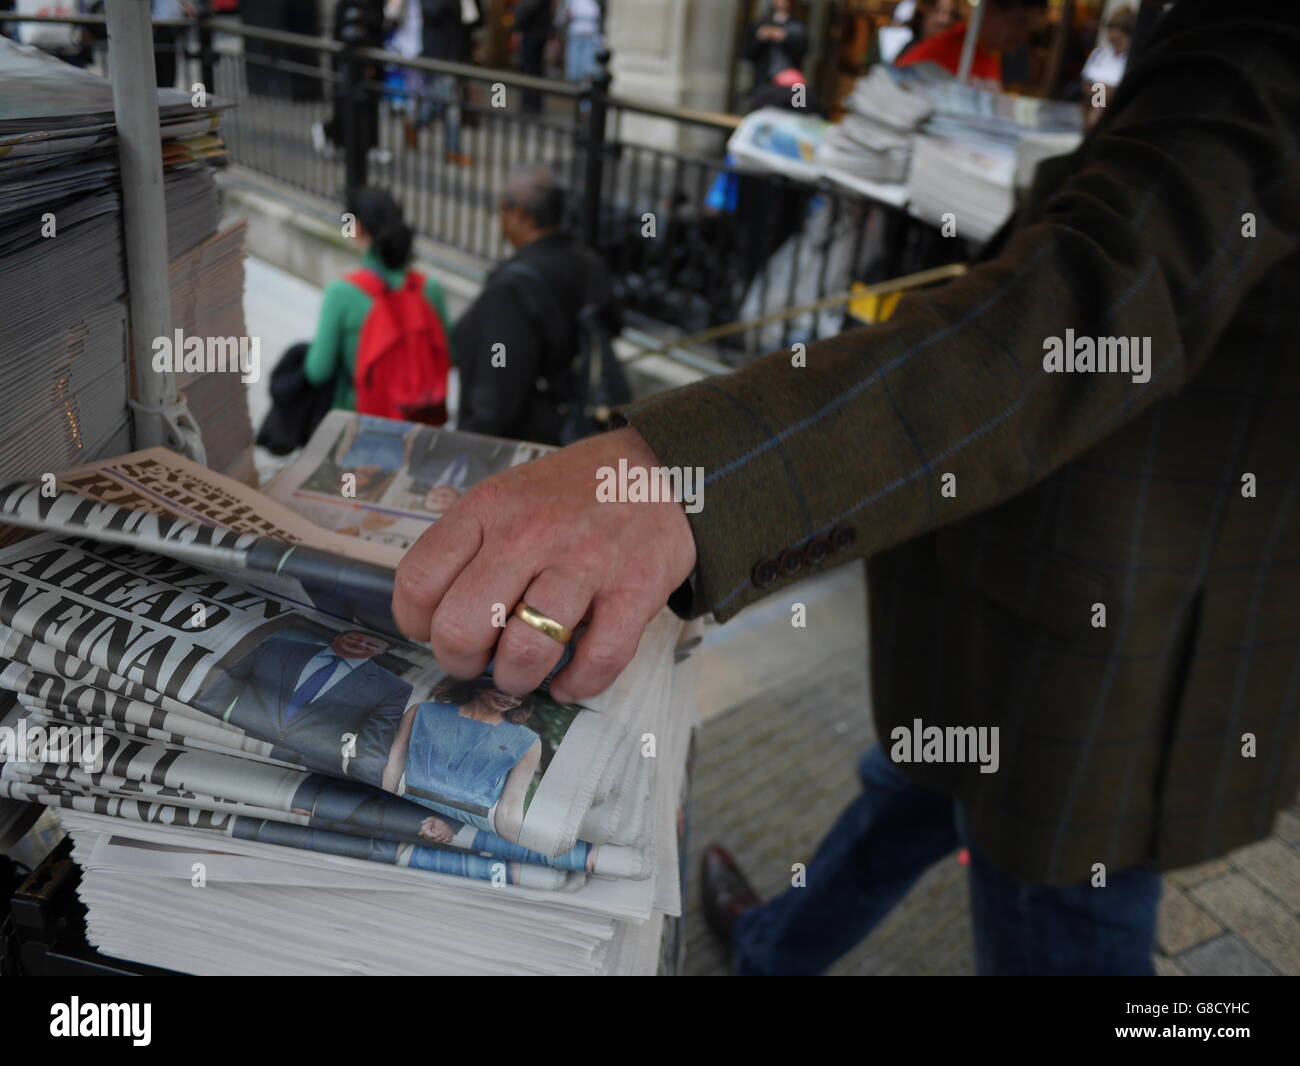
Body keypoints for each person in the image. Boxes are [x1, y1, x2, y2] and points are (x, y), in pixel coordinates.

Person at [390, 0, 1300, 976]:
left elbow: (1092, 293)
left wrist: (684, 475)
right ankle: (778, 948)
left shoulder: (1255, 43)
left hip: (1111, 625)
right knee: (911, 783)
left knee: (1060, 901)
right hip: (1020, 590)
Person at [452, 165, 620, 446]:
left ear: (520, 215)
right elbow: (613, 323)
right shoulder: (587, 261)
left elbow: (497, 387)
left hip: (527, 444)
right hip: (579, 430)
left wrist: (469, 450)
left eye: (502, 210)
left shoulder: (511, 290)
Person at [302, 186, 455, 419]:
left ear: (359, 229)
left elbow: (318, 372)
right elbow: (450, 355)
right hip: (419, 423)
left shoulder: (341, 293)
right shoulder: (429, 288)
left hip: (361, 424)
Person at [200, 630, 413, 785]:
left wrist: (362, 789)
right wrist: (199, 724)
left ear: (381, 652)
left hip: (300, 774)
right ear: (337, 636)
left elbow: (372, 744)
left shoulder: (392, 687)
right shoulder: (278, 646)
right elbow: (225, 687)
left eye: (371, 644)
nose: (362, 645)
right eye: (357, 638)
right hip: (231, 743)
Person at [382, 678, 542, 844]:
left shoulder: (528, 741)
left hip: (467, 828)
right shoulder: (421, 711)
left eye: (519, 696)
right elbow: (391, 767)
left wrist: (516, 846)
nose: (510, 700)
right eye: (503, 691)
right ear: (480, 684)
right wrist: (379, 807)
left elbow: (511, 807)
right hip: (407, 811)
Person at [895, 0, 1045, 88]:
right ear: (989, 10)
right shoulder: (953, 49)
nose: (1022, 36)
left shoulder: (990, 53)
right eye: (1019, 22)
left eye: (1030, 29)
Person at [1080, 6, 1136, 129]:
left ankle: (1095, 119)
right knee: (1100, 91)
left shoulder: (1132, 60)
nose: (1114, 39)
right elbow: (1086, 83)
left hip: (1114, 110)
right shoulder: (1099, 54)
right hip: (1093, 102)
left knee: (1101, 94)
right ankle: (1094, 119)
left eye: (1120, 39)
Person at [743, 0, 808, 88]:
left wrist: (786, 38)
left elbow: (803, 51)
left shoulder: (797, 26)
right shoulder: (761, 23)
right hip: (763, 79)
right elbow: (747, 53)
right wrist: (760, 39)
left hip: (787, 80)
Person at [514, 0, 552, 114]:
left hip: (533, 34)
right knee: (533, 69)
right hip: (536, 33)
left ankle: (530, 103)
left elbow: (527, 9)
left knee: (530, 70)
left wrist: (516, 23)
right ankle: (532, 103)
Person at [558, 0, 602, 84]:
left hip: (590, 36)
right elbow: (562, 17)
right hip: (576, 35)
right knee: (574, 67)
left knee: (588, 67)